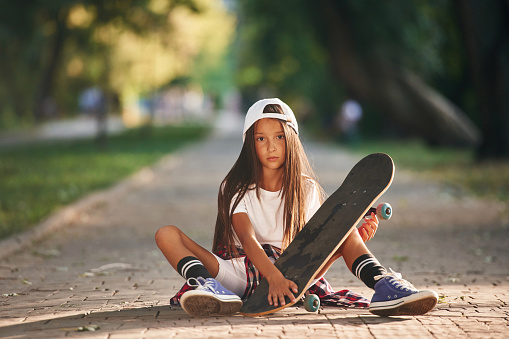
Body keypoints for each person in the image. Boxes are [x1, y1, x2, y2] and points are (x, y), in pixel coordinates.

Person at [155, 98, 438, 318]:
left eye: (279, 137)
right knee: (166, 233)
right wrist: (273, 277)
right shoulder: (237, 188)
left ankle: (383, 285)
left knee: (346, 229)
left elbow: (312, 260)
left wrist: (344, 244)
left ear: (291, 139)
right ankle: (209, 287)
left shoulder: (306, 189)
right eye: (261, 138)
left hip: (291, 275)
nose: (271, 146)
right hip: (240, 275)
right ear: (250, 144)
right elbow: (249, 242)